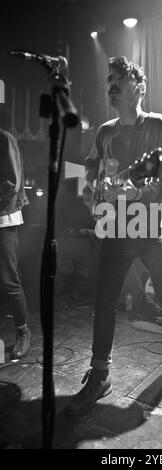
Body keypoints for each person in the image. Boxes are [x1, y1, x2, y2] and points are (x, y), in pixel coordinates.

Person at [65, 56, 162, 415]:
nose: (111, 84)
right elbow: (90, 169)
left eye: (119, 80)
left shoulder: (158, 125)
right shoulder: (105, 131)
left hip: (154, 225)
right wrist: (94, 194)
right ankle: (100, 374)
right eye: (109, 79)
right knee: (104, 299)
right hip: (117, 228)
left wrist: (134, 193)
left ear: (138, 88)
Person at [0, 92, 31, 360]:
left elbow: (11, 182)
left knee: (9, 278)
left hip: (4, 217)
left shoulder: (4, 138)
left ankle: (23, 330)